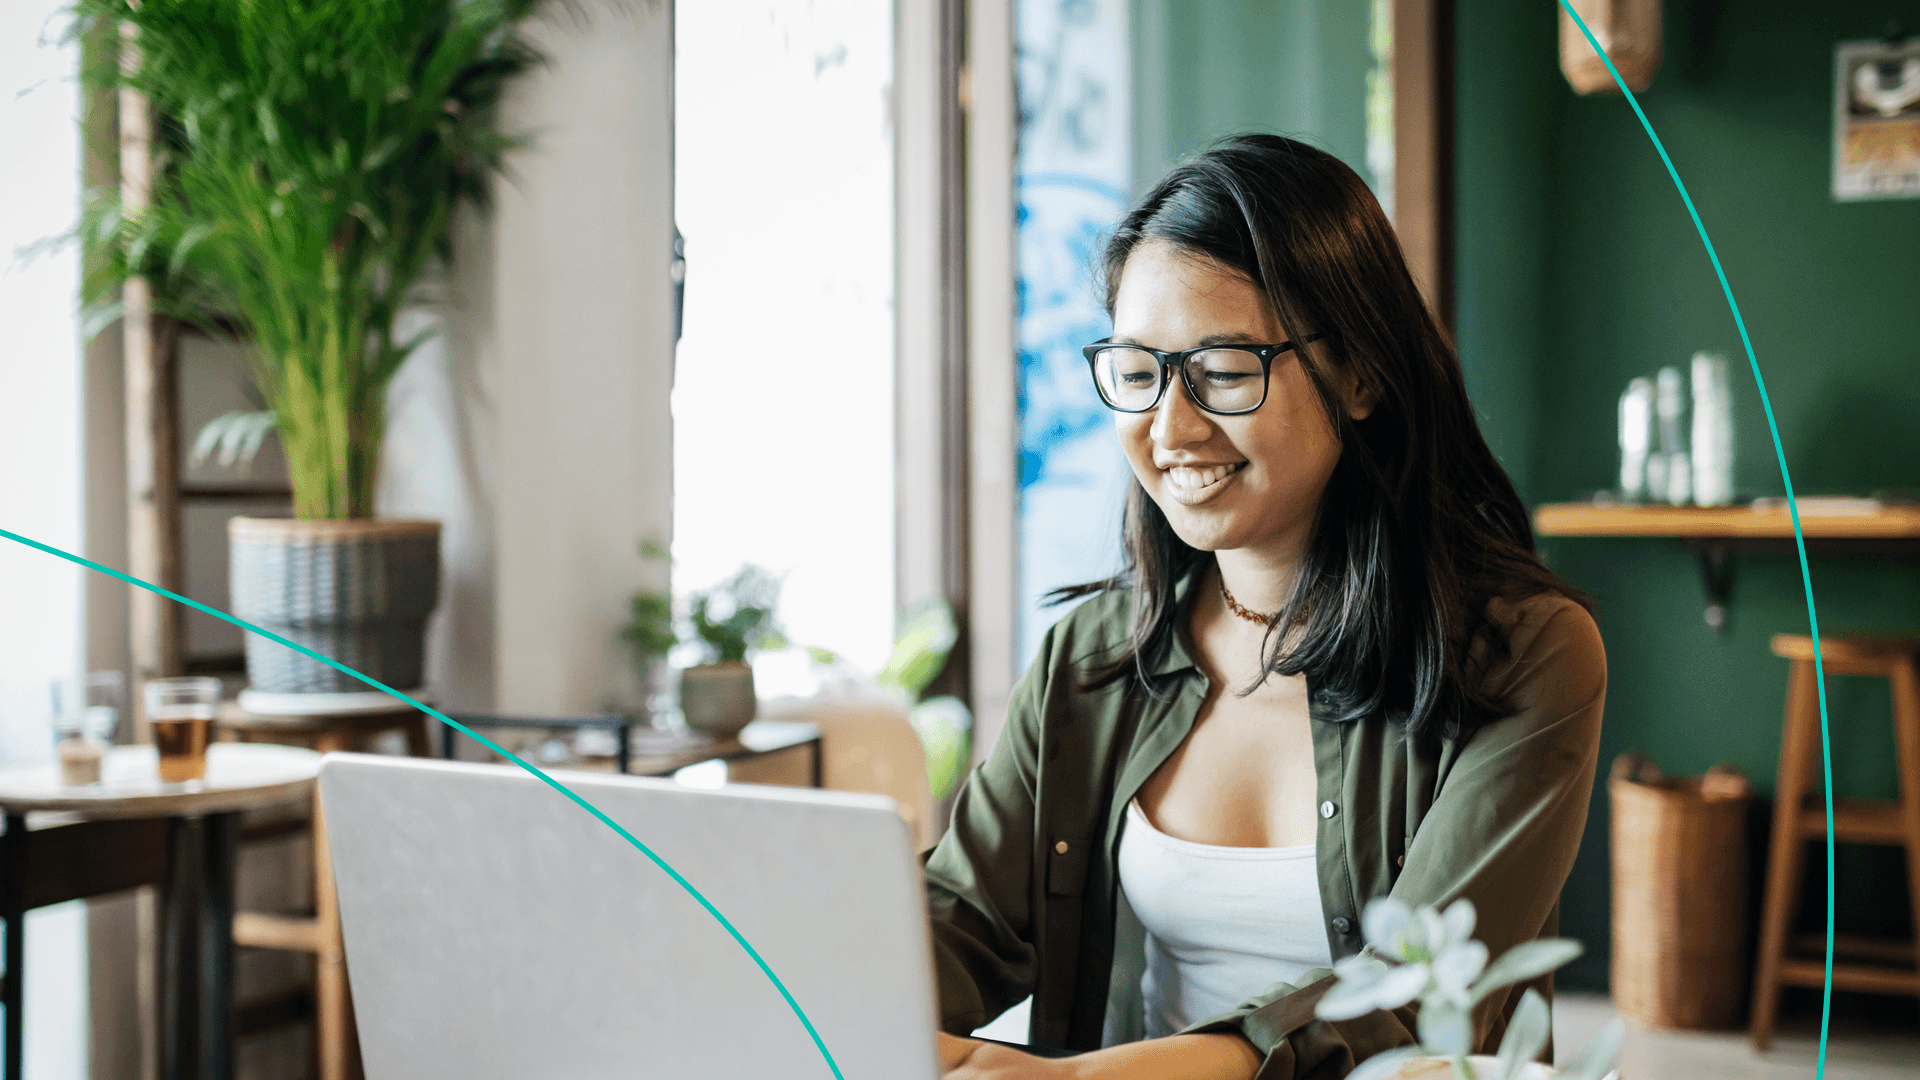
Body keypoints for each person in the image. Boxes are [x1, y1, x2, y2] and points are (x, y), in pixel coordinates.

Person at [927, 134, 1607, 1080]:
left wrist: (1078, 1079)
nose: (1171, 427)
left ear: (1362, 373)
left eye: (1224, 368)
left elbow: (1411, 1003)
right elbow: (965, 919)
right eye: (1137, 369)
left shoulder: (1523, 657)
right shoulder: (1090, 657)